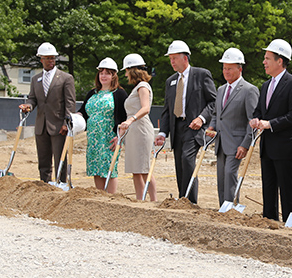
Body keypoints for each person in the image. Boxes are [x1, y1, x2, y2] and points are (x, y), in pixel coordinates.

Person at [249, 39, 292, 222]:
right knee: (269, 188)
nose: (264, 62)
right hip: (267, 147)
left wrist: (270, 124)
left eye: (267, 58)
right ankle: (269, 221)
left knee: (288, 190)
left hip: (286, 147)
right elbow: (259, 110)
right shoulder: (265, 86)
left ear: (280, 61)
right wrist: (256, 119)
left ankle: (291, 224)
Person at [154, 41, 216, 204]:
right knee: (179, 165)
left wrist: (201, 118)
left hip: (194, 128)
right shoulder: (170, 81)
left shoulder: (202, 75)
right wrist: (162, 133)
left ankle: (190, 202)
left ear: (185, 58)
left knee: (187, 161)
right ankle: (182, 199)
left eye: (174, 58)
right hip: (176, 128)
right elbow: (167, 110)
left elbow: (213, 102)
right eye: (171, 59)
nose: (172, 62)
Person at [207, 48, 259, 206]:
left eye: (230, 68)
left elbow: (253, 121)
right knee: (222, 178)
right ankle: (223, 208)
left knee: (230, 175)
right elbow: (217, 115)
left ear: (240, 69)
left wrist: (245, 144)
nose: (226, 71)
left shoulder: (249, 90)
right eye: (224, 68)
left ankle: (232, 208)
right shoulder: (221, 90)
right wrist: (212, 127)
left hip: (237, 143)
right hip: (221, 143)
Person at [19, 42, 76, 183]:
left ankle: (61, 184)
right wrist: (28, 106)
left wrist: (66, 123)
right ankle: (44, 185)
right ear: (41, 59)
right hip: (41, 126)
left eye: (53, 58)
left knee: (60, 159)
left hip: (58, 126)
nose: (51, 61)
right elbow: (33, 99)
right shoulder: (35, 79)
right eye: (48, 58)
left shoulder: (65, 78)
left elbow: (70, 103)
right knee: (43, 160)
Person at [79, 58, 128, 194]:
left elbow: (124, 118)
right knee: (96, 167)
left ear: (114, 75)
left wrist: (120, 137)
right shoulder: (92, 93)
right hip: (93, 138)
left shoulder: (119, 94)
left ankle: (110, 198)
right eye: (101, 73)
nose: (103, 76)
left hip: (109, 137)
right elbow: (83, 111)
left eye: (107, 73)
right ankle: (100, 197)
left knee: (109, 169)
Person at [118, 53, 158, 201]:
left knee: (144, 168)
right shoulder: (136, 88)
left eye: (127, 71)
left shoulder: (143, 86)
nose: (126, 74)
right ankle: (139, 199)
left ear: (132, 70)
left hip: (141, 129)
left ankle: (153, 200)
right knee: (135, 169)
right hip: (133, 131)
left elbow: (145, 108)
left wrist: (131, 120)